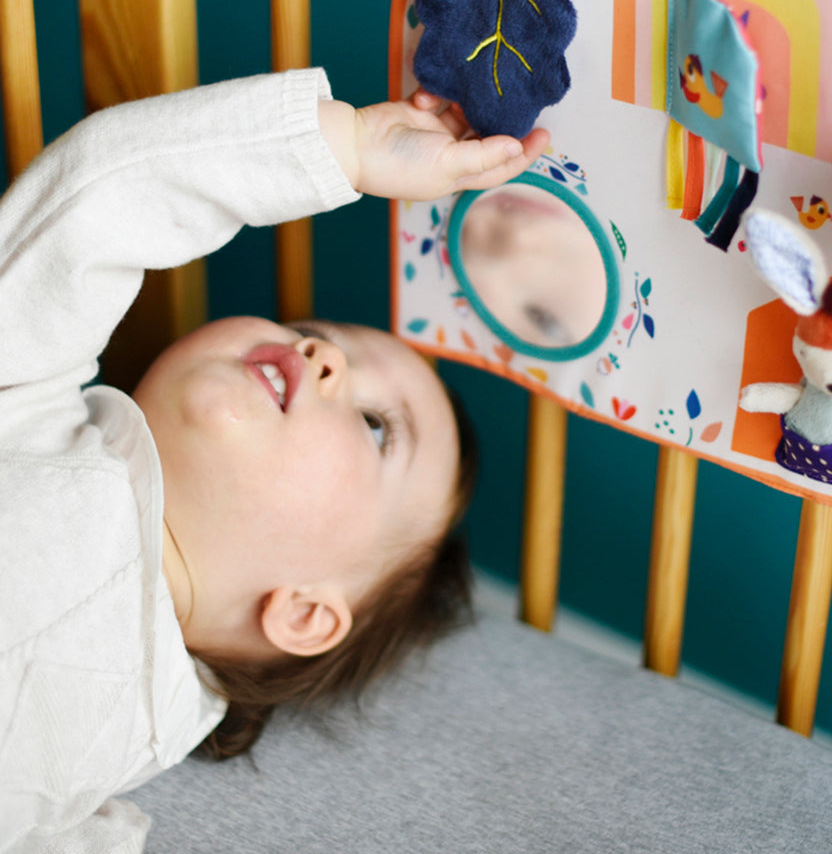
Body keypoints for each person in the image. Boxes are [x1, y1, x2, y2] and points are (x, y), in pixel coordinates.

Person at [0, 68, 547, 853]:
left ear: (302, 611)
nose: (319, 353)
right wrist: (347, 147)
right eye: (307, 327)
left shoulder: (136, 743)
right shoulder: (25, 399)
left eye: (374, 424)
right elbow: (102, 199)